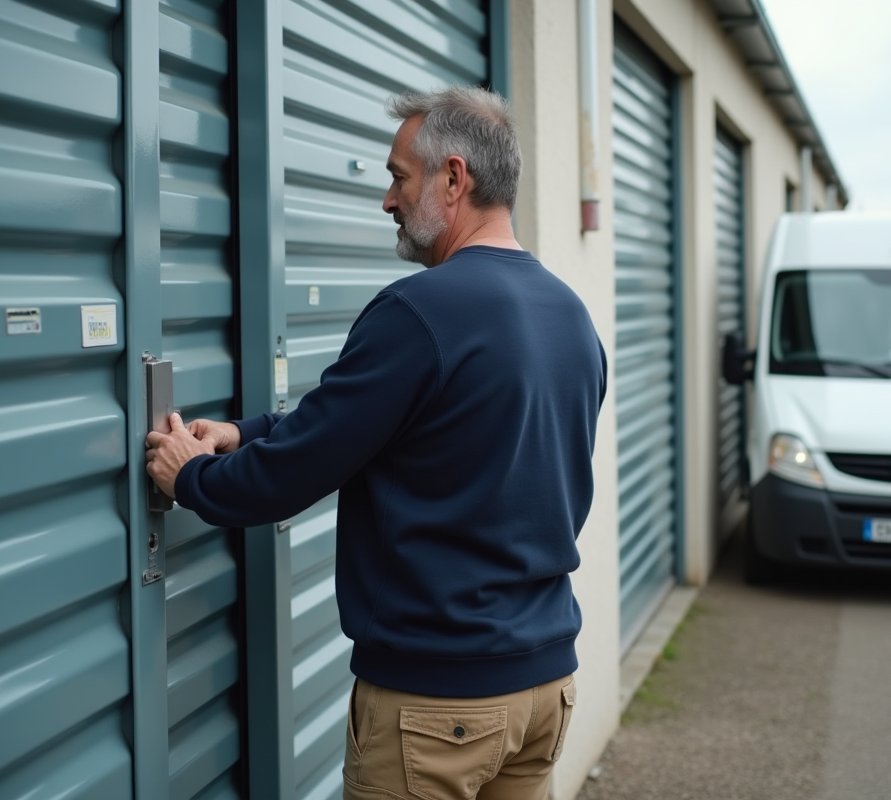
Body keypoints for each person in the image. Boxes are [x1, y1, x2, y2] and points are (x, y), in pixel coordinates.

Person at [145, 86, 606, 800]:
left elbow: (290, 477)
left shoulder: (420, 312)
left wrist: (192, 477)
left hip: (438, 706)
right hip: (544, 691)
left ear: (454, 179)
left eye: (399, 177)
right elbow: (389, 427)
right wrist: (242, 433)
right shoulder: (570, 316)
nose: (387, 200)